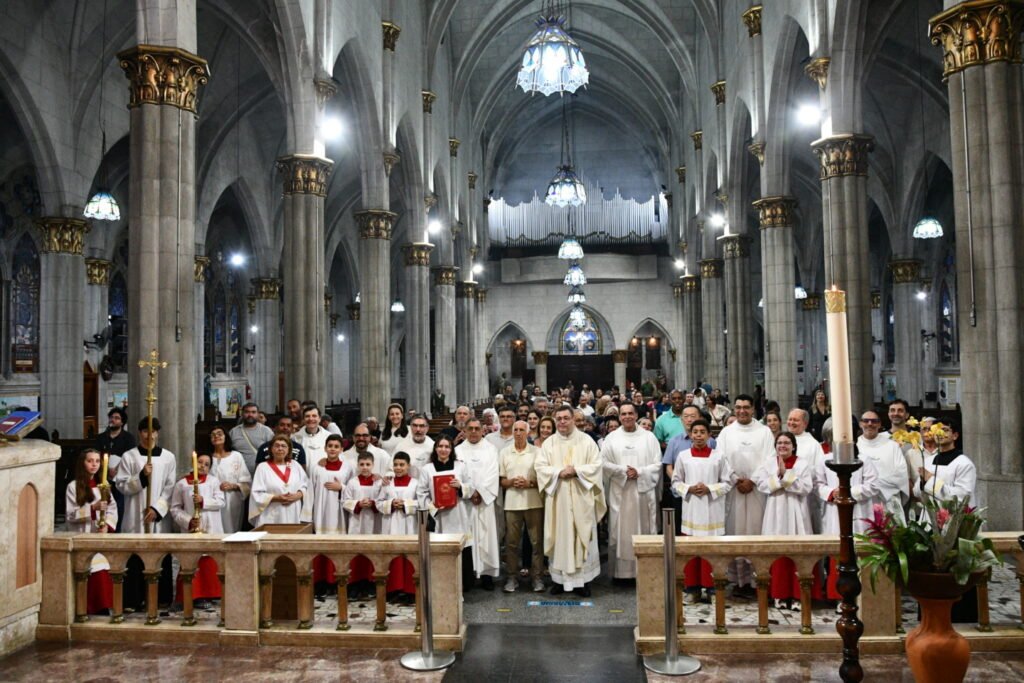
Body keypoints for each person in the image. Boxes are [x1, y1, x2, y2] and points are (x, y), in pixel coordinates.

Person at [535, 405, 607, 597]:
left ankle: (583, 582)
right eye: (559, 419)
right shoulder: (549, 444)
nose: (562, 422)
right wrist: (559, 472)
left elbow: (596, 465)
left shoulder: (587, 442)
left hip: (581, 497)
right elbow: (540, 467)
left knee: (582, 537)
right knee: (560, 537)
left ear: (573, 420)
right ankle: (559, 581)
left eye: (566, 418)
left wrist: (576, 471)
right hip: (558, 498)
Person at [114, 418, 177, 607]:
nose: (150, 435)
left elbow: (170, 487)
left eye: (154, 431)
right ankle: (133, 598)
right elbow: (121, 484)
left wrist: (157, 509)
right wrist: (141, 477)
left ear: (158, 433)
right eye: (145, 431)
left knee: (159, 557)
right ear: (140, 433)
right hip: (135, 514)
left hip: (157, 517)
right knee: (134, 558)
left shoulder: (168, 457)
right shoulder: (129, 456)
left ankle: (160, 599)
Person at [717, 394, 775, 598]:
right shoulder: (726, 433)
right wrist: (735, 479)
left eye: (746, 407)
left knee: (756, 531)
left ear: (753, 410)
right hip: (735, 491)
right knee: (736, 531)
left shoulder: (764, 432)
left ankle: (757, 579)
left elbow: (770, 459)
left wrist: (753, 480)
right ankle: (738, 580)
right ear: (734, 409)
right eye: (738, 407)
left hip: (757, 490)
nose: (742, 411)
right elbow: (721, 460)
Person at [817, 422, 879, 603]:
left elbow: (873, 486)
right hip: (833, 513)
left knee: (859, 556)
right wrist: (832, 493)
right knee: (836, 554)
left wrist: (848, 492)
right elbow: (818, 485)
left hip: (859, 513)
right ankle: (838, 597)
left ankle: (861, 598)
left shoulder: (864, 460)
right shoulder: (824, 459)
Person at [671, 420, 732, 603]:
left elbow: (728, 483)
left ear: (708, 435)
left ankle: (712, 589)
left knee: (711, 551)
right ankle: (692, 589)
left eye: (702, 432)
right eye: (695, 432)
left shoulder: (718, 457)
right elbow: (675, 481)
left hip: (712, 510)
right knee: (691, 551)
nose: (698, 435)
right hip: (692, 510)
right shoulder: (683, 456)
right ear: (690, 435)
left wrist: (710, 489)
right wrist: (689, 488)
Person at [601, 402, 661, 581]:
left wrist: (640, 472)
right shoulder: (611, 438)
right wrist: (623, 471)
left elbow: (657, 464)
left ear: (636, 415)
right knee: (620, 531)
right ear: (619, 417)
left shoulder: (649, 437)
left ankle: (644, 571)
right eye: (623, 414)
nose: (627, 417)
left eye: (630, 413)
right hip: (621, 492)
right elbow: (603, 462)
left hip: (642, 494)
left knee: (642, 529)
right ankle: (621, 574)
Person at [754, 431, 813, 609]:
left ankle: (797, 596)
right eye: (779, 443)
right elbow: (760, 484)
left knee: (797, 553)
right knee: (776, 551)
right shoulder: (768, 463)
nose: (782, 446)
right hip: (775, 511)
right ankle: (779, 594)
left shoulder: (802, 463)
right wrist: (779, 478)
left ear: (793, 445)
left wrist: (785, 477)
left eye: (786, 443)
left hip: (796, 511)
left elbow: (807, 487)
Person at [417, 436, 475, 591]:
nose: (443, 449)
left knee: (461, 548)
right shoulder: (427, 469)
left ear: (451, 449)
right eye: (440, 446)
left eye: (447, 446)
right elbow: (421, 493)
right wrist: (433, 507)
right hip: (439, 516)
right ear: (435, 449)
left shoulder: (460, 467)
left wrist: (460, 486)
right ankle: (441, 583)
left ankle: (464, 585)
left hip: (458, 513)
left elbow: (471, 487)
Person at [66, 448, 116, 615]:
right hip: (82, 535)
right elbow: (70, 514)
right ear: (82, 463)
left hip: (99, 536)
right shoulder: (73, 487)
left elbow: (113, 509)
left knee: (101, 572)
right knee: (87, 572)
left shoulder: (104, 486)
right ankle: (85, 608)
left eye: (97, 461)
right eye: (90, 461)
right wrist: (92, 509)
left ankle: (102, 607)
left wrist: (107, 525)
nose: (94, 464)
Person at [170, 453, 224, 605]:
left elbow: (221, 501)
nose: (203, 466)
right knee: (192, 560)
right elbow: (175, 508)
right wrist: (188, 521)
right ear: (193, 463)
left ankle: (213, 593)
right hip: (192, 528)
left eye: (207, 464)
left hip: (211, 526)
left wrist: (203, 501)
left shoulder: (213, 481)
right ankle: (193, 594)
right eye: (200, 462)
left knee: (209, 560)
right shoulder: (182, 484)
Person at [498, 421, 545, 593]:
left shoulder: (537, 452)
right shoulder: (504, 453)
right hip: (512, 503)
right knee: (511, 543)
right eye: (515, 430)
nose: (518, 433)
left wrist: (529, 483)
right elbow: (502, 480)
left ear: (528, 432)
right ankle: (511, 577)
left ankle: (537, 577)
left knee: (536, 542)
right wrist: (511, 482)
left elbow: (543, 479)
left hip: (533, 502)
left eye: (521, 430)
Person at [456, 417, 501, 590]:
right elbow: (457, 474)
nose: (474, 432)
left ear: (483, 430)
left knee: (486, 536)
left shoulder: (491, 449)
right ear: (465, 431)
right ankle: (469, 574)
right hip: (466, 502)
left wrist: (480, 492)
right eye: (470, 429)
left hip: (484, 501)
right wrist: (469, 492)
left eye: (477, 428)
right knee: (468, 538)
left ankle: (486, 575)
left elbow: (492, 472)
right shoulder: (458, 450)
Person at [378, 452, 418, 603]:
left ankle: (410, 590)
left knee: (409, 557)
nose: (398, 468)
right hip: (391, 525)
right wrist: (391, 504)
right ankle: (393, 589)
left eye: (402, 465)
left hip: (409, 524)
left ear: (408, 466)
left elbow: (422, 502)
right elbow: (379, 502)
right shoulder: (387, 484)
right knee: (392, 557)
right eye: (396, 465)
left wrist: (406, 504)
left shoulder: (415, 483)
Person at [249, 434, 309, 526]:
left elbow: (306, 485)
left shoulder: (295, 465)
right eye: (277, 446)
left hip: (293, 511)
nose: (280, 448)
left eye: (283, 446)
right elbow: (256, 493)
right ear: (271, 449)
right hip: (271, 512)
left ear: (289, 449)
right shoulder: (262, 467)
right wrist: (276, 498)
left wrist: (298, 495)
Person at [856, 410, 910, 508]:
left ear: (879, 424)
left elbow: (901, 475)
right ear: (860, 424)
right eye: (866, 421)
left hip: (888, 501)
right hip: (862, 503)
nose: (870, 424)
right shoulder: (854, 447)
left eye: (874, 421)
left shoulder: (892, 446)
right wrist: (866, 490)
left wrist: (874, 487)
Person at [786, 409, 827, 533]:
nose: (791, 422)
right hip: (783, 495)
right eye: (790, 419)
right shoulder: (781, 440)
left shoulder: (813, 445)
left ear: (805, 424)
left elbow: (818, 472)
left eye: (796, 420)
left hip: (805, 496)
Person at [95, 407, 134, 532]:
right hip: (103, 477)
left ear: (122, 422)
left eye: (117, 418)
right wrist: (105, 468)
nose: (113, 420)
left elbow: (130, 456)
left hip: (120, 478)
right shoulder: (101, 437)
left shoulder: (128, 438)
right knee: (103, 504)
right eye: (111, 417)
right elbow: (95, 454)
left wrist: (117, 469)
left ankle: (117, 530)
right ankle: (102, 527)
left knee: (118, 505)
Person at [208, 426, 251, 533]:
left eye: (219, 433)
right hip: (212, 499)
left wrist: (233, 485)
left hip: (232, 498)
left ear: (225, 436)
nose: (216, 436)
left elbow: (246, 482)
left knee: (231, 529)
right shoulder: (207, 457)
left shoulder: (236, 456)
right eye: (213, 435)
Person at [888, 398, 923, 495]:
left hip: (913, 484)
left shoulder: (917, 436)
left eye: (900, 410)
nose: (896, 413)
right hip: (891, 486)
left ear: (907, 415)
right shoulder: (882, 438)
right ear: (888, 414)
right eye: (892, 410)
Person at [229, 402, 274, 475]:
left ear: (258, 414)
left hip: (262, 473)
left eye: (253, 412)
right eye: (247, 412)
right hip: (240, 474)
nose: (250, 415)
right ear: (242, 414)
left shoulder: (266, 431)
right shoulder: (233, 432)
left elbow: (274, 451)